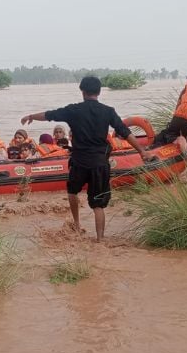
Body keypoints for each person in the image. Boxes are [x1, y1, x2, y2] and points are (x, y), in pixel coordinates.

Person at [20, 76, 154, 242]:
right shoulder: (108, 111)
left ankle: (76, 224)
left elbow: (50, 115)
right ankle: (100, 240)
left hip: (79, 162)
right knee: (98, 204)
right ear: (99, 91)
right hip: (99, 163)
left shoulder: (74, 110)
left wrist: (31, 116)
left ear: (82, 91)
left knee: (72, 191)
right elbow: (125, 132)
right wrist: (142, 151)